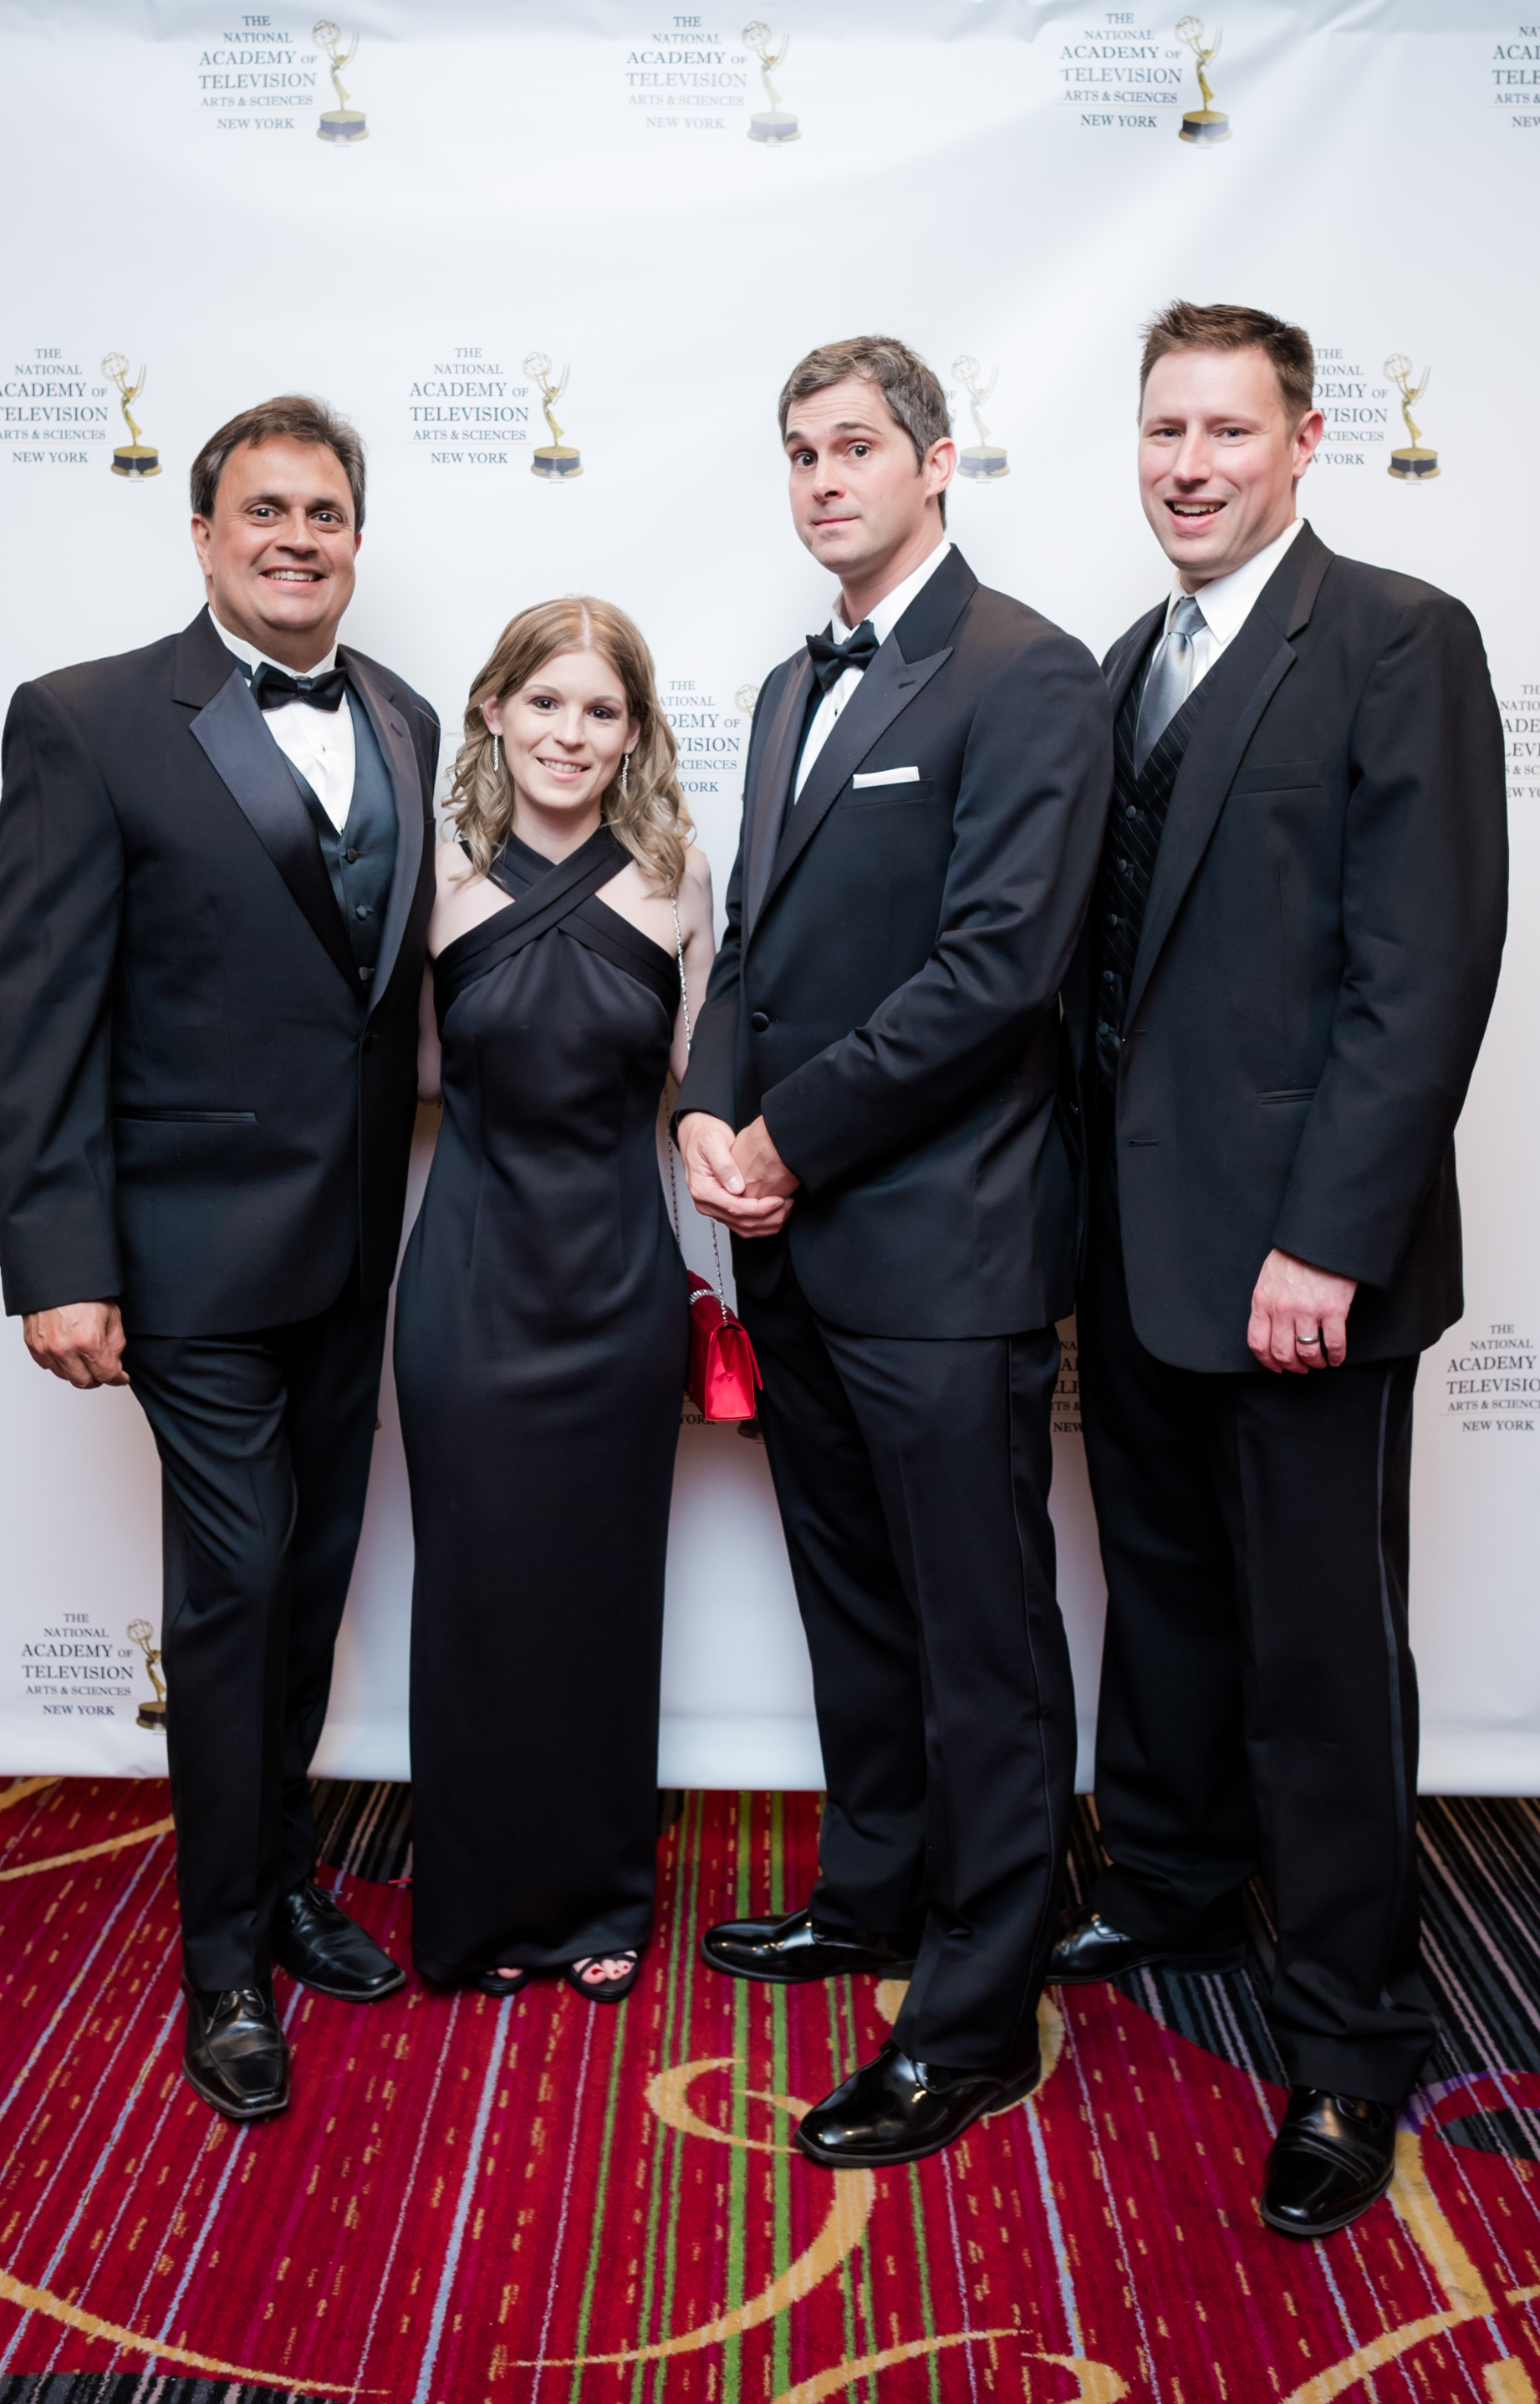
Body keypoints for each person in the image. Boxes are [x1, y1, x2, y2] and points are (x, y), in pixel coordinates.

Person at [1051, 302, 1508, 2238]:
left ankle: (1348, 2037)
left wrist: (1326, 1235)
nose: (1189, 464)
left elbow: (1426, 967)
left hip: (1302, 1262)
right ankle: (1167, 1880)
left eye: (1228, 430)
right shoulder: (1126, 658)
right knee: (1163, 1602)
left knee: (1321, 1655)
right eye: (1165, 428)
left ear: (1306, 440)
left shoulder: (1399, 637)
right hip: (1135, 1248)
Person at [0, 396, 441, 2122]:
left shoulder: (400, 715)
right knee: (236, 1586)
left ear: (356, 539)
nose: (296, 538)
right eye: (265, 510)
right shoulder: (87, 718)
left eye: (325, 513)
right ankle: (225, 1961)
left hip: (350, 1245)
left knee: (308, 1582)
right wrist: (57, 1260)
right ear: (202, 533)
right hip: (182, 1255)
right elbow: (32, 1015)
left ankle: (288, 1872)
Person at [678, 336, 1111, 2167]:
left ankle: (974, 2017)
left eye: (855, 445)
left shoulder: (1029, 671)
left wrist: (787, 1138)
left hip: (947, 1251)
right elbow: (752, 947)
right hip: (795, 1250)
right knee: (854, 1608)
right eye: (799, 452)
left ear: (938, 461)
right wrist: (706, 1111)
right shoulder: (793, 684)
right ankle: (871, 1894)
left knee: (980, 1640)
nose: (823, 479)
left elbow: (997, 974)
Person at [395, 600, 712, 2005]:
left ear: (633, 732)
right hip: (468, 1289)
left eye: (600, 710)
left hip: (621, 1288)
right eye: (544, 703)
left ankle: (595, 1900)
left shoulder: (678, 878)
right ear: (494, 711)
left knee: (601, 1598)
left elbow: (700, 1082)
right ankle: (476, 1910)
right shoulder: (436, 879)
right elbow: (414, 1075)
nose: (569, 735)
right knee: (476, 1600)